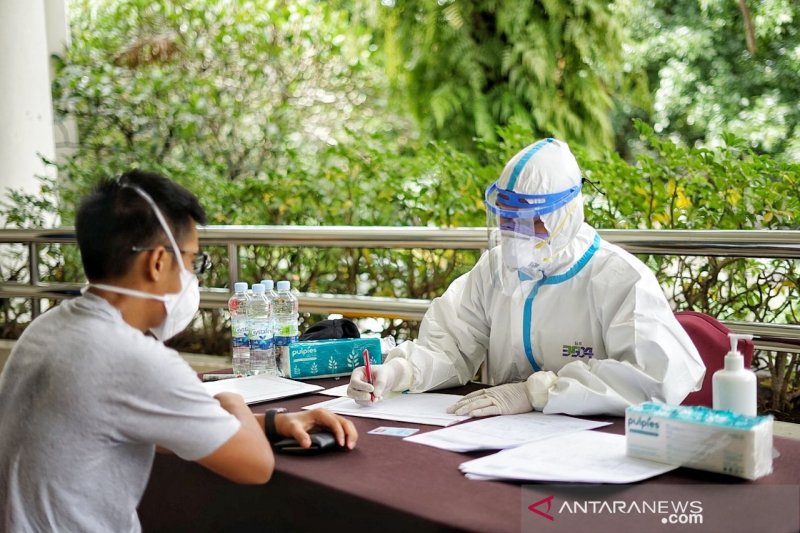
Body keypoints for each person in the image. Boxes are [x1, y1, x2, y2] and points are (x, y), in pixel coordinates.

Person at [0, 170, 357, 532]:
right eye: (192, 262)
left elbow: (156, 426)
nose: (192, 277)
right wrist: (233, 401)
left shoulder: (47, 328)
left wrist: (272, 422)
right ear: (157, 262)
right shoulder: (133, 358)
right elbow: (255, 466)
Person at [348, 138, 705, 417]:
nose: (512, 232)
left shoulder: (619, 278)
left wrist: (538, 392)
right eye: (505, 217)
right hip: (504, 438)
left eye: (528, 220)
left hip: (593, 445)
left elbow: (654, 378)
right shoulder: (494, 268)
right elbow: (449, 345)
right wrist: (399, 372)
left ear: (563, 215)